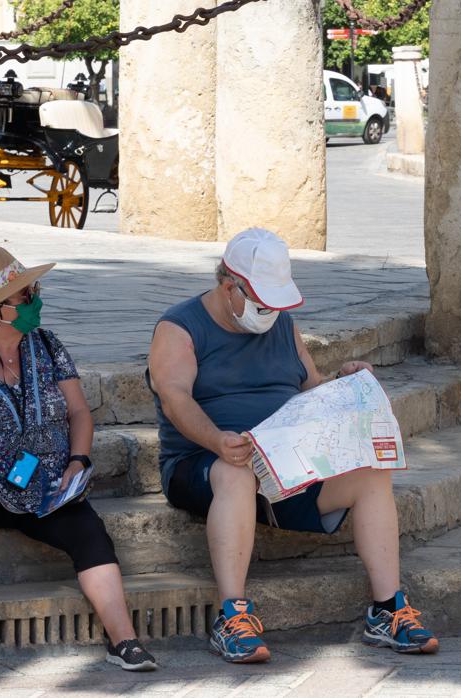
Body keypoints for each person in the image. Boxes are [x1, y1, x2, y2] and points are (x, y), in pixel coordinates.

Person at [146, 228, 439, 664]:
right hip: (204, 462)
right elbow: (175, 398)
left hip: (285, 464)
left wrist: (346, 383)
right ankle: (232, 615)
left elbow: (310, 391)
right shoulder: (180, 327)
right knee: (235, 472)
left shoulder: (282, 324)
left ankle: (387, 610)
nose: (271, 313)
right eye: (263, 303)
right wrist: (217, 441)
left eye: (277, 305)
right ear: (230, 288)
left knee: (373, 473)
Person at [0, 246, 157, 672]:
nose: (35, 299)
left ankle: (123, 640)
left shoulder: (48, 345)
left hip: (49, 484)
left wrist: (78, 461)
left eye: (33, 290)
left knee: (92, 534)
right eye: (25, 295)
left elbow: (78, 412)